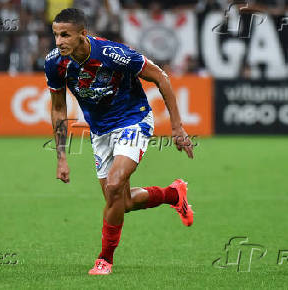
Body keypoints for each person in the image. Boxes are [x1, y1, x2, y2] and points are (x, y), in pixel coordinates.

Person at [44, 8, 194, 275]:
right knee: (121, 202)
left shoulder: (113, 54)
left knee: (114, 186)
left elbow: (160, 76)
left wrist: (177, 127)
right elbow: (58, 108)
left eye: (65, 35)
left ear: (82, 34)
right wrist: (61, 157)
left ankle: (105, 259)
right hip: (100, 132)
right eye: (56, 35)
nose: (59, 42)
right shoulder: (56, 63)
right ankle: (174, 194)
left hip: (133, 120)